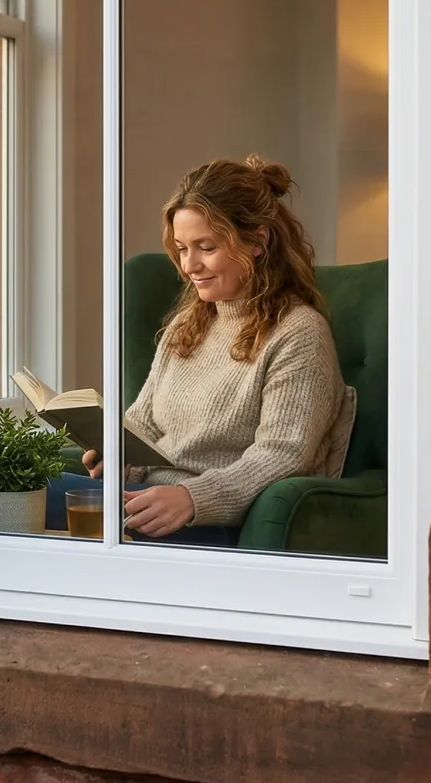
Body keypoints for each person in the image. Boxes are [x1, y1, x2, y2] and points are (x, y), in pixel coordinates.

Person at [48, 154, 355, 547]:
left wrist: (194, 498)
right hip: (147, 501)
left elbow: (282, 454)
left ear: (258, 242)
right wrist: (117, 454)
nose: (189, 265)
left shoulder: (299, 333)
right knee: (12, 481)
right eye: (181, 248)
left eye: (206, 247)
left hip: (206, 519)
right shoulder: (189, 324)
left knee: (15, 492)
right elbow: (145, 423)